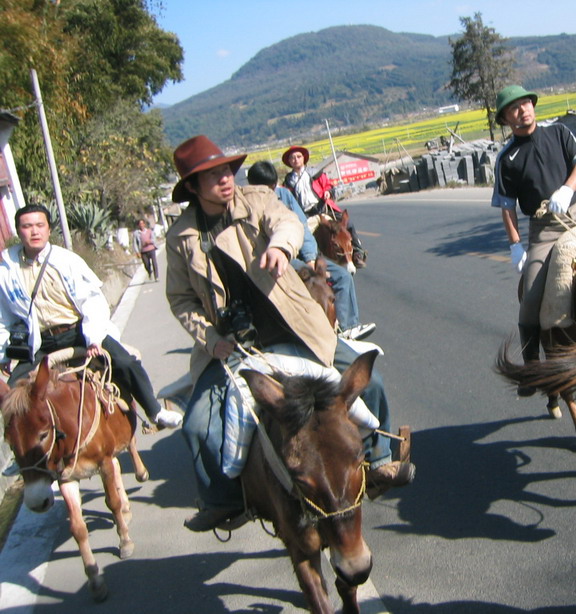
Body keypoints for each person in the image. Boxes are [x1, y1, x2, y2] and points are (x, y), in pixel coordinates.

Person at [165, 135, 414, 532]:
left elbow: (287, 223)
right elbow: (181, 300)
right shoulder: (180, 237)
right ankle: (225, 501)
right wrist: (212, 340)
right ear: (192, 188)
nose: (225, 180)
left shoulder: (257, 199)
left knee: (371, 380)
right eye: (211, 176)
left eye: (226, 170)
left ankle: (380, 461)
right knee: (197, 425)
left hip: (294, 325)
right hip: (233, 344)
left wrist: (281, 247)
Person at [0, 204, 180, 429]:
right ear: (18, 231)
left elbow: (92, 301)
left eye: (39, 225)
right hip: (39, 342)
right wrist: (4, 354)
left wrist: (94, 338)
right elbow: (4, 316)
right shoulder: (6, 271)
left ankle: (154, 411)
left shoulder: (67, 261)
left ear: (48, 229)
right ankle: (26, 450)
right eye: (27, 226)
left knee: (125, 362)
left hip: (77, 332)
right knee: (13, 390)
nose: (34, 231)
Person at [491, 85, 576, 395]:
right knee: (530, 297)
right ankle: (530, 369)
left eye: (525, 103)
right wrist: (515, 244)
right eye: (513, 108)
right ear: (505, 118)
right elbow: (506, 207)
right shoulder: (506, 159)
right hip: (545, 229)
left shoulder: (559, 132)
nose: (522, 110)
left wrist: (567, 189)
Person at [246, 160, 375, 340]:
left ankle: (348, 327)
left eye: (272, 186)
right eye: (265, 187)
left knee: (343, 270)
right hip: (279, 257)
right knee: (315, 283)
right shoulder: (248, 204)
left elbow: (302, 226)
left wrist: (311, 258)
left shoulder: (286, 193)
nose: (270, 191)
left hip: (314, 220)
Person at [281, 145, 368, 268]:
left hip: (323, 208)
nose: (296, 159)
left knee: (348, 224)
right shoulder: (288, 181)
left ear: (303, 158)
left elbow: (328, 185)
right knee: (302, 237)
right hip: (306, 214)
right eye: (292, 158)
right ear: (289, 161)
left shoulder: (315, 173)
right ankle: (307, 263)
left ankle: (358, 253)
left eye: (298, 156)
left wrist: (328, 192)